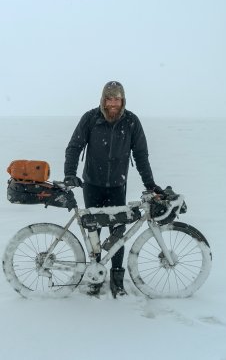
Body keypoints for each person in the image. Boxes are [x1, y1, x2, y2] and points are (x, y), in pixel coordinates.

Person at [64, 81, 163, 298]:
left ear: (123, 100)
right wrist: (70, 173)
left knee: (118, 232)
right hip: (92, 184)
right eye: (108, 99)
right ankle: (96, 276)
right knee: (94, 233)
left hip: (118, 186)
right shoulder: (91, 118)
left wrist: (150, 184)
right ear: (102, 100)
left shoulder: (131, 122)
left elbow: (141, 155)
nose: (112, 104)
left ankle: (117, 279)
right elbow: (74, 147)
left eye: (117, 99)